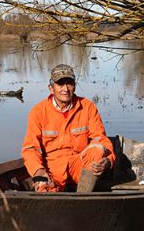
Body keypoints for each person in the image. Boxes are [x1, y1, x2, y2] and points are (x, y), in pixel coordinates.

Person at [22, 64, 115, 192]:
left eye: (69, 83)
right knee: (44, 191)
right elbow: (30, 148)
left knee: (97, 149)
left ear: (74, 86)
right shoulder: (38, 112)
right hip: (52, 171)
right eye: (60, 84)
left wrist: (108, 162)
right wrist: (39, 171)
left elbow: (101, 139)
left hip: (80, 167)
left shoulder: (87, 107)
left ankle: (84, 195)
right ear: (51, 88)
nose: (65, 89)